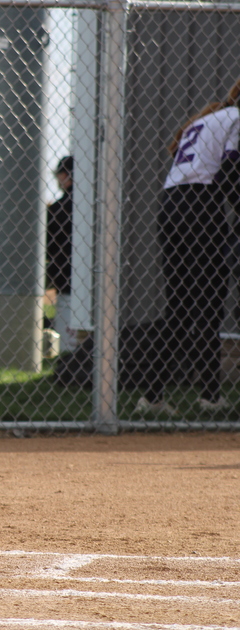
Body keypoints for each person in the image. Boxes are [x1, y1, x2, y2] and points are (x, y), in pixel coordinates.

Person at [136, 77, 240, 416]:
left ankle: (157, 396)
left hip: (172, 205)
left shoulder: (210, 117)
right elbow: (229, 174)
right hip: (201, 207)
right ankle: (206, 396)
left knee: (181, 306)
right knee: (208, 304)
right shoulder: (237, 118)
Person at [46, 156, 76, 352]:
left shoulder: (57, 209)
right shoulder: (96, 204)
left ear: (65, 176)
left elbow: (47, 246)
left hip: (62, 273)